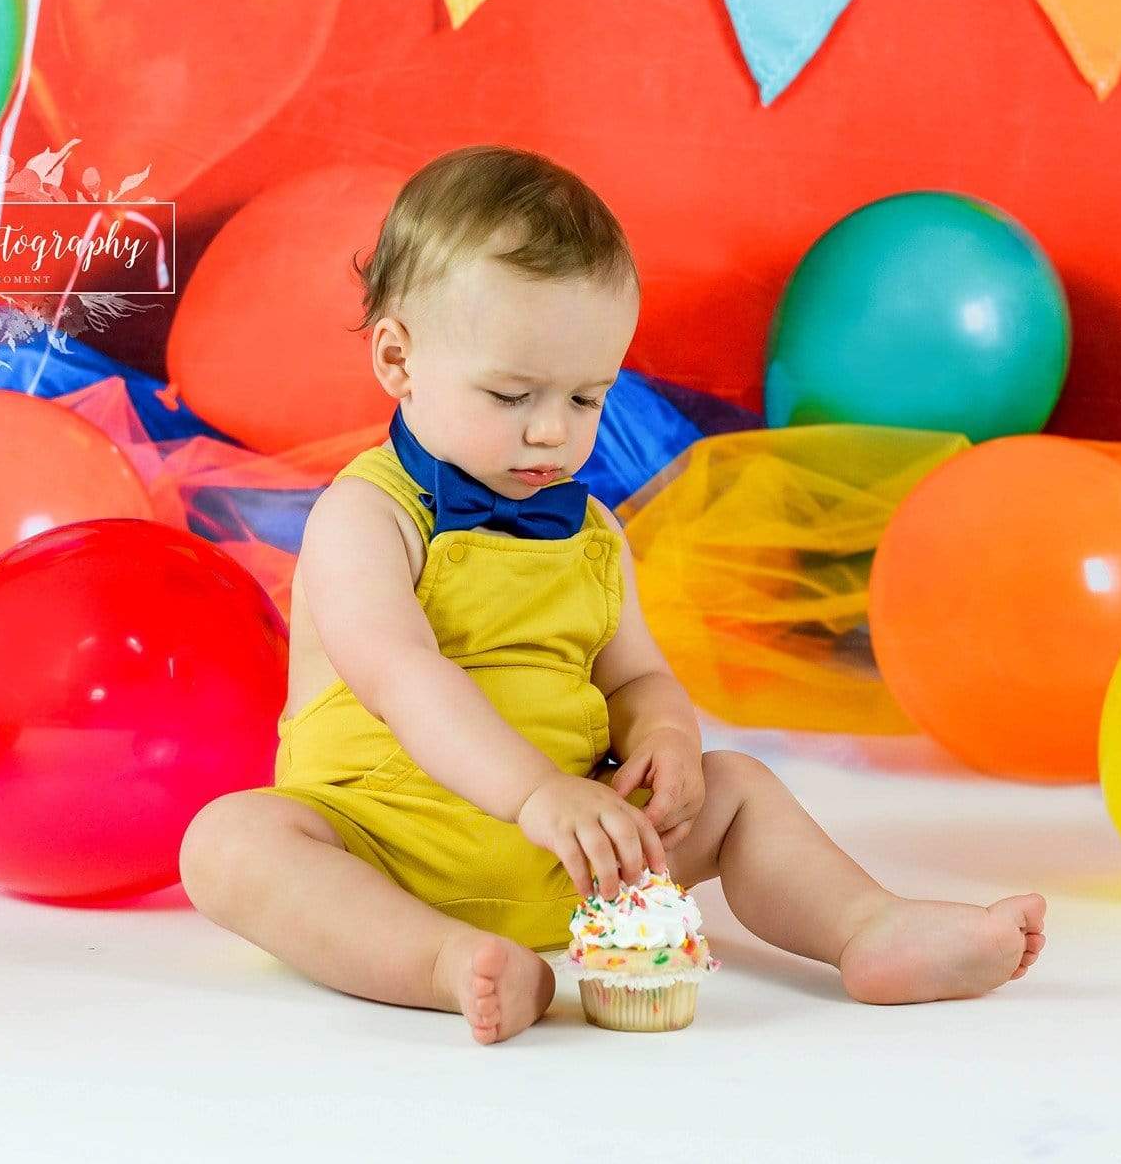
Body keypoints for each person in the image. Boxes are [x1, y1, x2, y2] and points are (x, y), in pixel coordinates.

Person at [180, 146, 1046, 1044]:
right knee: (230, 843)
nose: (553, 430)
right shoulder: (367, 515)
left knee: (739, 785)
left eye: (589, 396)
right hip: (384, 844)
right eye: (512, 394)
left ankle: (866, 924)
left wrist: (664, 741)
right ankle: (441, 960)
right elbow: (403, 675)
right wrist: (531, 793)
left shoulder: (593, 531)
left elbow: (634, 676)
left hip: (578, 848)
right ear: (397, 357)